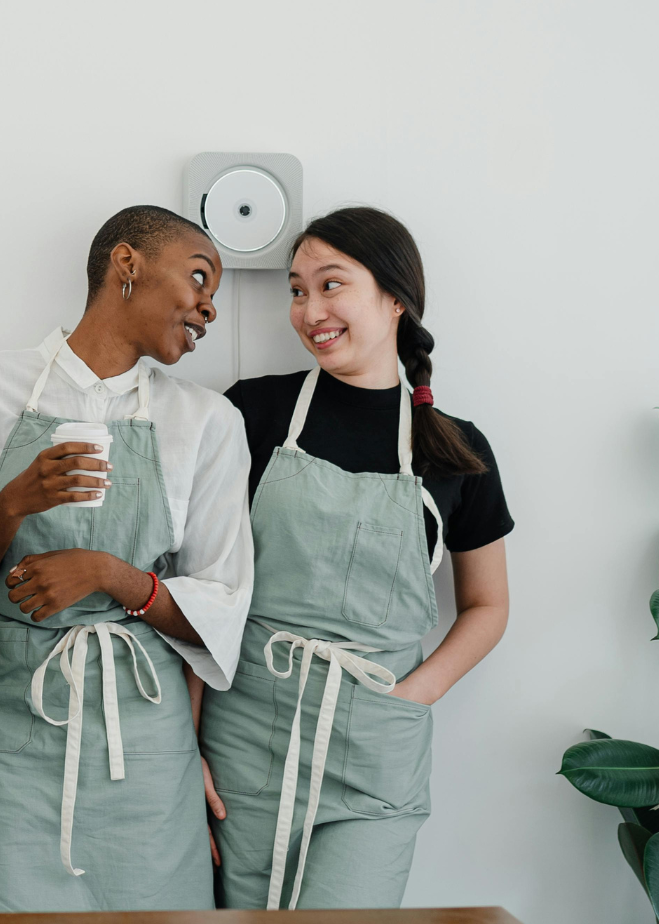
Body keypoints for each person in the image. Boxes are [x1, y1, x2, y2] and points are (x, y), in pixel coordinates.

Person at [0, 205, 254, 911]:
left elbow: (223, 605)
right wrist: (11, 505)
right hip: (10, 737)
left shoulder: (208, 423)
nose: (208, 308)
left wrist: (114, 576)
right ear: (126, 264)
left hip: (146, 745)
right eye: (199, 277)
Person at [199, 206, 513, 910]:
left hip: (374, 747)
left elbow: (488, 607)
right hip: (246, 735)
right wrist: (188, 749)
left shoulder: (457, 451)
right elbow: (200, 583)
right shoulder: (251, 414)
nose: (310, 309)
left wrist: (410, 699)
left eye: (330, 285)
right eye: (296, 290)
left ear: (395, 297)